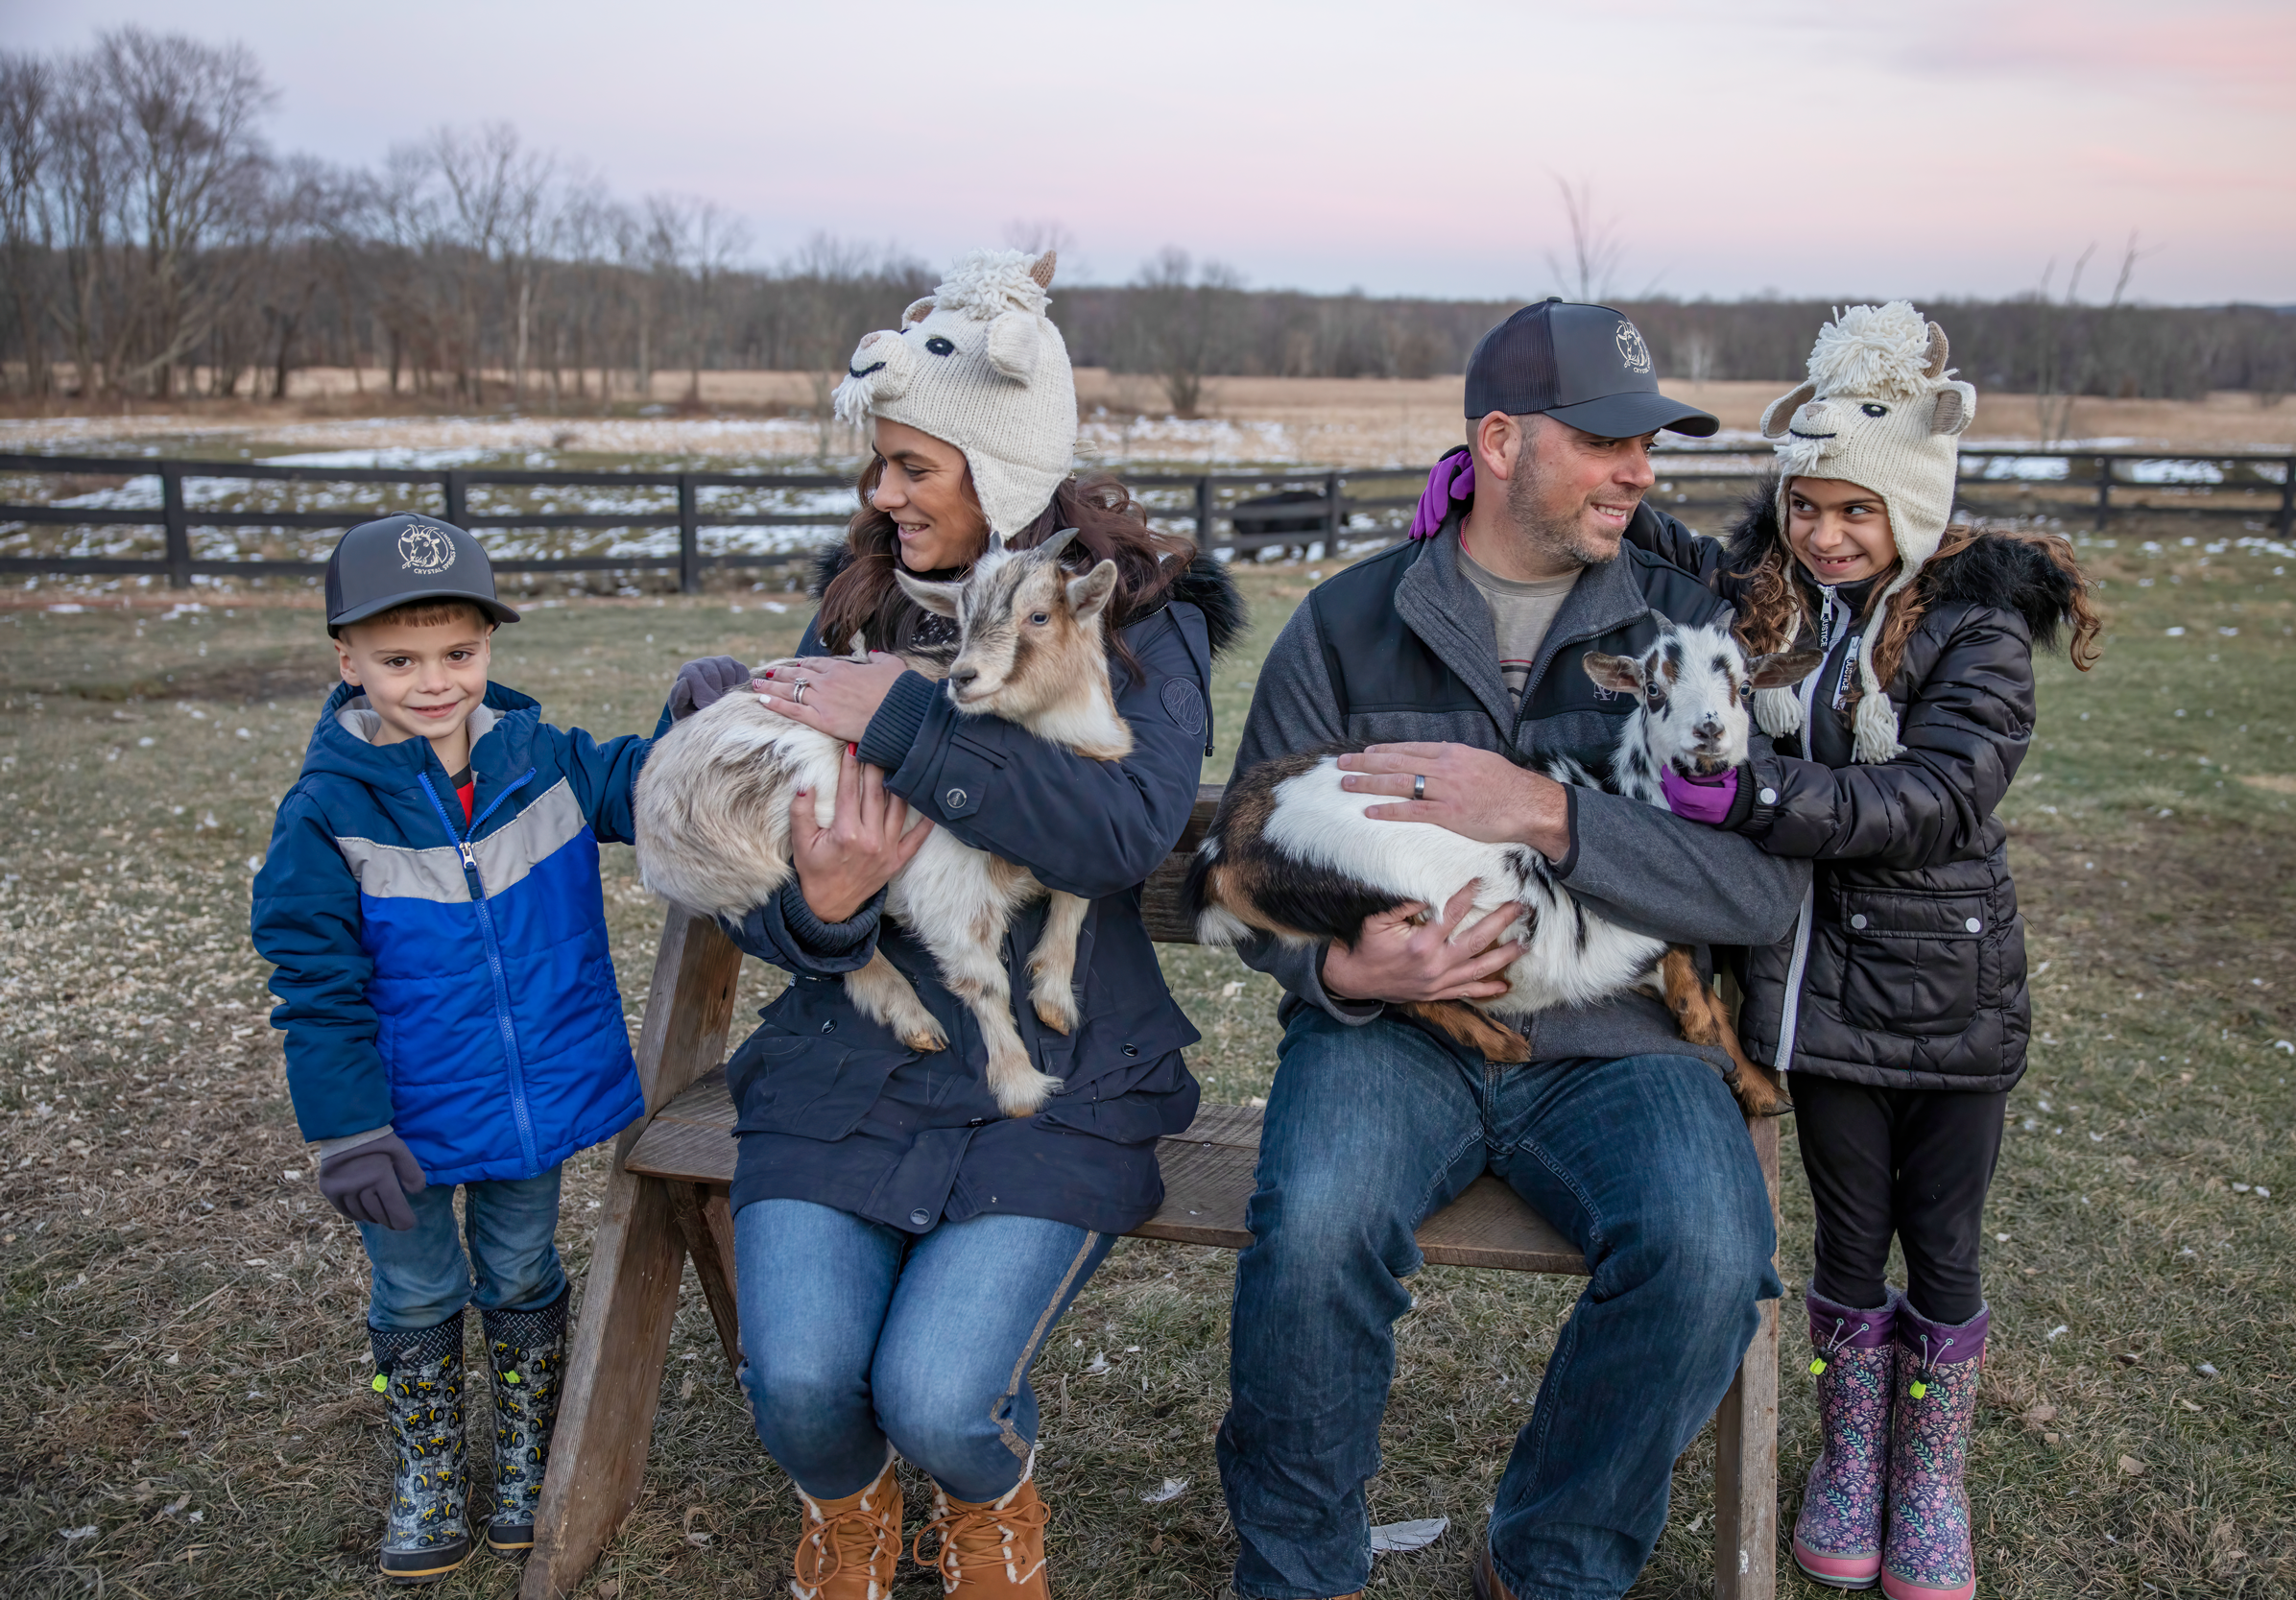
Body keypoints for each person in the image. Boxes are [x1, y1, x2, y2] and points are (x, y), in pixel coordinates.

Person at [1214, 298, 1812, 1600]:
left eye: (1649, 443)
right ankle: (1297, 1571)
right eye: (1606, 441)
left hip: (1618, 1042)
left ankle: (1547, 1565)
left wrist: (1548, 810)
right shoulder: (1348, 620)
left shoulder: (1683, 629)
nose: (1642, 471)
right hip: (1391, 1033)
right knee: (1315, 1223)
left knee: (1713, 1252)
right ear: (1499, 440)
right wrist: (1339, 972)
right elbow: (1256, 861)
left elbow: (1759, 889)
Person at [681, 248, 1242, 1600]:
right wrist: (814, 912)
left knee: (937, 1395)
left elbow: (1117, 834)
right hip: (848, 1059)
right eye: (879, 466)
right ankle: (850, 1510)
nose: (879, 494)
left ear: (1000, 471)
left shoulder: (1140, 625)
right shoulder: (857, 602)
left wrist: (905, 715)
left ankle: (990, 1507)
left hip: (1055, 1074)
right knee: (804, 1382)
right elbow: (765, 839)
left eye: (912, 468)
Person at [1626, 302, 2102, 1600]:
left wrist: (1760, 800)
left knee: (1941, 1235)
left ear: (1910, 506)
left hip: (1945, 988)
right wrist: (1555, 494)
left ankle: (1928, 1471)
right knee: (1846, 1237)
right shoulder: (1775, 600)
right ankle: (1849, 1447)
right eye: (1806, 505)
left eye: (1855, 511)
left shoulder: (1973, 628)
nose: (1825, 534)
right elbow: (1665, 550)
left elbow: (1941, 798)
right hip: (1812, 991)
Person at [250, 514, 654, 1582]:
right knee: (418, 1288)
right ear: (348, 661)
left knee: (522, 1263)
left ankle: (527, 1457)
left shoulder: (545, 759)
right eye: (399, 659)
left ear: (489, 647)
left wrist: (701, 722)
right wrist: (347, 1129)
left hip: (534, 1102)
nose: (434, 682)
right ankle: (428, 1462)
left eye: (459, 653)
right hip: (405, 1121)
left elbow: (642, 783)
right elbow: (315, 985)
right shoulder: (329, 809)